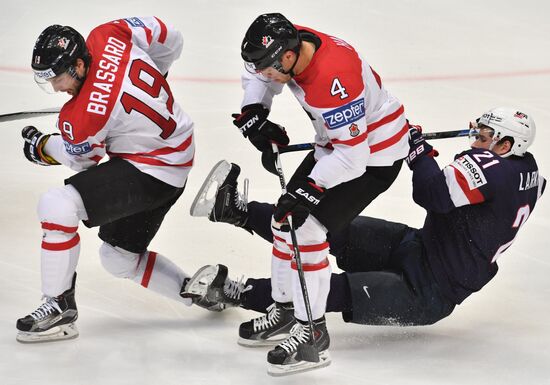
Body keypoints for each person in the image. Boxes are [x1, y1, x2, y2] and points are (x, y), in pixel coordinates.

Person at [184, 107, 545, 373]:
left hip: (429, 291)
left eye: (484, 137)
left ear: (507, 144)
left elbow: (431, 194)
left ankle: (236, 292)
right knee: (326, 225)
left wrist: (420, 153)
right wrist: (464, 150)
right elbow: (502, 187)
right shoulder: (526, 170)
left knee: (327, 289)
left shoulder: (494, 169)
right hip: (420, 247)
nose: (476, 141)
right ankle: (236, 210)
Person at [188, 12, 410, 375]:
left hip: (374, 157)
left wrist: (311, 188)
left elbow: (354, 158)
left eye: (270, 69)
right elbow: (256, 73)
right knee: (282, 222)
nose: (265, 75)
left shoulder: (331, 79)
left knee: (307, 230)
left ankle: (314, 334)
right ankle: (287, 311)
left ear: (288, 57)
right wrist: (255, 111)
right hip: (338, 145)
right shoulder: (290, 45)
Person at [16, 17, 213, 343]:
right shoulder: (110, 33)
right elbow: (172, 38)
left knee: (56, 205)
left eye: (60, 78)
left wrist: (43, 146)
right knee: (118, 257)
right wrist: (158, 77)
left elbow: (81, 161)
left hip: (152, 171)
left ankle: (57, 305)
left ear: (79, 64)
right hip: (177, 155)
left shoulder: (81, 116)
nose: (56, 88)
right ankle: (198, 292)